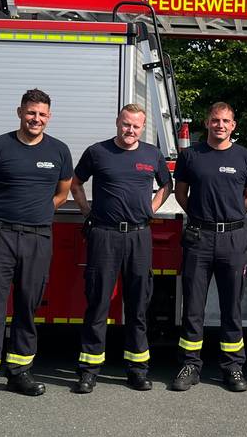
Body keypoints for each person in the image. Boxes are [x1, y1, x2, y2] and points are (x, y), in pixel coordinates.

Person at [0, 88, 72, 408]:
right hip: (0, 236)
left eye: (41, 114)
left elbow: (62, 194)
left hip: (38, 237)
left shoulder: (59, 151)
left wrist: (36, 214)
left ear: (48, 117)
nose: (35, 119)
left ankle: (19, 372)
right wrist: (2, 213)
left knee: (27, 306)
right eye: (30, 112)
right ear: (19, 112)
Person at [68, 104, 172, 394]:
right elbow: (75, 184)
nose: (130, 131)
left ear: (143, 128)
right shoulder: (97, 152)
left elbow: (167, 185)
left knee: (138, 306)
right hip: (104, 235)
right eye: (126, 124)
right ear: (117, 122)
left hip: (139, 236)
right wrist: (87, 210)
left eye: (136, 126)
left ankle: (137, 370)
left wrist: (149, 209)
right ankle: (89, 371)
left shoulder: (152, 154)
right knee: (98, 303)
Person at [170, 102, 247, 392]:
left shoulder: (244, 157)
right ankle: (190, 365)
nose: (220, 125)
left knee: (231, 306)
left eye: (226, 121)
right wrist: (199, 214)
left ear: (233, 125)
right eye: (215, 120)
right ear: (207, 122)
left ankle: (232, 367)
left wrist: (232, 216)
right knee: (193, 306)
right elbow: (181, 193)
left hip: (233, 239)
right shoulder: (191, 156)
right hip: (199, 237)